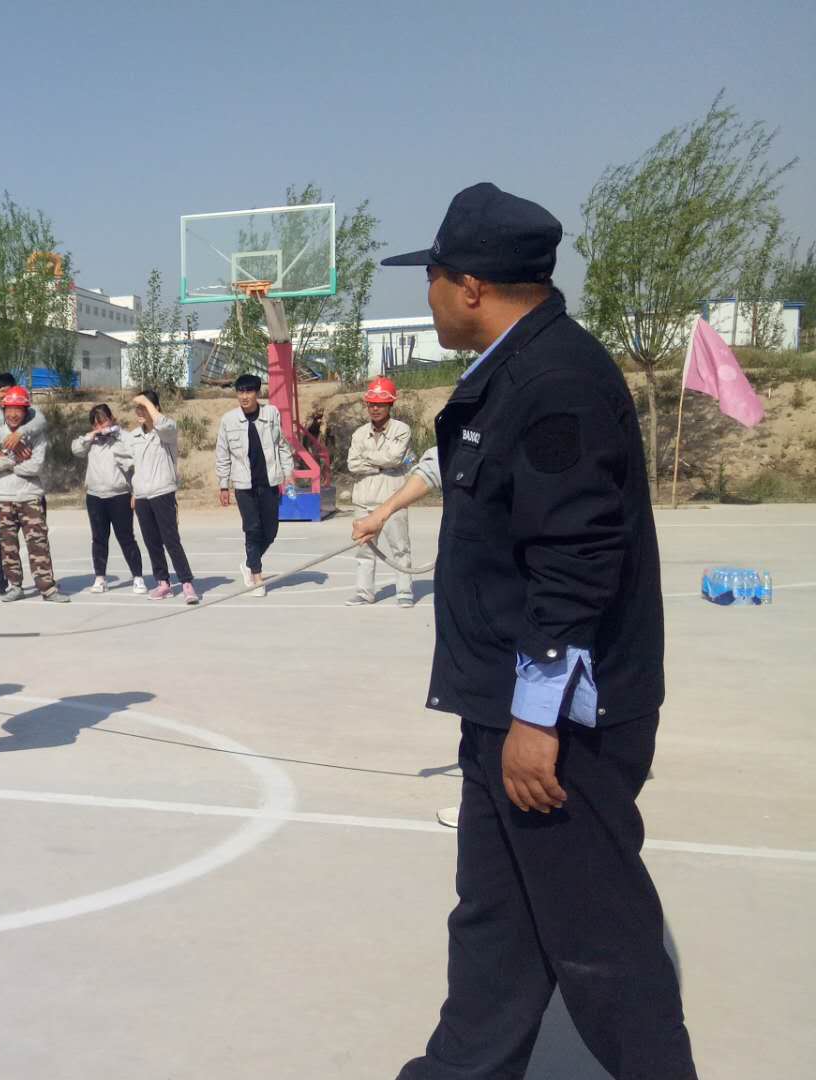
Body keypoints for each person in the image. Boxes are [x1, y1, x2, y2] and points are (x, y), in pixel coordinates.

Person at [367, 181, 695, 1079]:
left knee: (601, 943)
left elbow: (576, 555)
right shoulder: (514, 372)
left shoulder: (555, 383)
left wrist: (535, 718)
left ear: (470, 286)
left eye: (433, 278)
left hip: (559, 724)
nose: (428, 295)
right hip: (502, 704)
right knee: (496, 924)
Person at [0, 385, 65, 603]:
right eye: (9, 409)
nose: (13, 414)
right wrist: (15, 459)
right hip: (2, 497)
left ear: (26, 411)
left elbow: (36, 466)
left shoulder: (36, 434)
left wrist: (5, 461)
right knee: (7, 545)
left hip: (29, 496)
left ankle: (47, 588)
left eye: (18, 409)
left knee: (38, 543)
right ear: (3, 409)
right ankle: (15, 586)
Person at [215, 373, 292, 597]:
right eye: (240, 392)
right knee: (252, 529)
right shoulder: (229, 420)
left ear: (257, 393)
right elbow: (222, 453)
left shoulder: (271, 414)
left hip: (269, 482)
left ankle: (249, 563)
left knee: (271, 531)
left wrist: (288, 473)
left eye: (249, 391)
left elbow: (282, 444)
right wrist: (223, 485)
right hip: (243, 485)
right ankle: (257, 577)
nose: (244, 396)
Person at [347, 377, 416, 608]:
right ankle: (364, 592)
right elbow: (352, 464)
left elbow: (394, 458)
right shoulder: (359, 433)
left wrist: (367, 457)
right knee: (364, 549)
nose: (375, 408)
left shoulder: (401, 430)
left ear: (390, 405)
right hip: (363, 499)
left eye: (380, 404)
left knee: (400, 548)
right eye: (371, 404)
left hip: (392, 498)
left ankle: (404, 591)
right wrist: (380, 465)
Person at [125, 390, 198, 603]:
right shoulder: (133, 436)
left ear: (155, 408)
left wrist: (147, 402)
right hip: (142, 496)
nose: (140, 412)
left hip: (162, 493)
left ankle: (186, 582)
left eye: (144, 407)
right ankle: (163, 582)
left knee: (171, 540)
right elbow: (132, 466)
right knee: (152, 542)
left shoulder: (167, 430)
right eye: (138, 408)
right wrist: (133, 491)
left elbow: (164, 424)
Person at [70, 403, 144, 595]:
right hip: (95, 496)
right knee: (99, 538)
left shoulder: (124, 437)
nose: (101, 427)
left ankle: (138, 577)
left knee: (126, 538)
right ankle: (100, 578)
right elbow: (76, 449)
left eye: (103, 422)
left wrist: (115, 435)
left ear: (111, 419)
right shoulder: (91, 440)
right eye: (96, 424)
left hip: (120, 495)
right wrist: (91, 436)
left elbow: (135, 458)